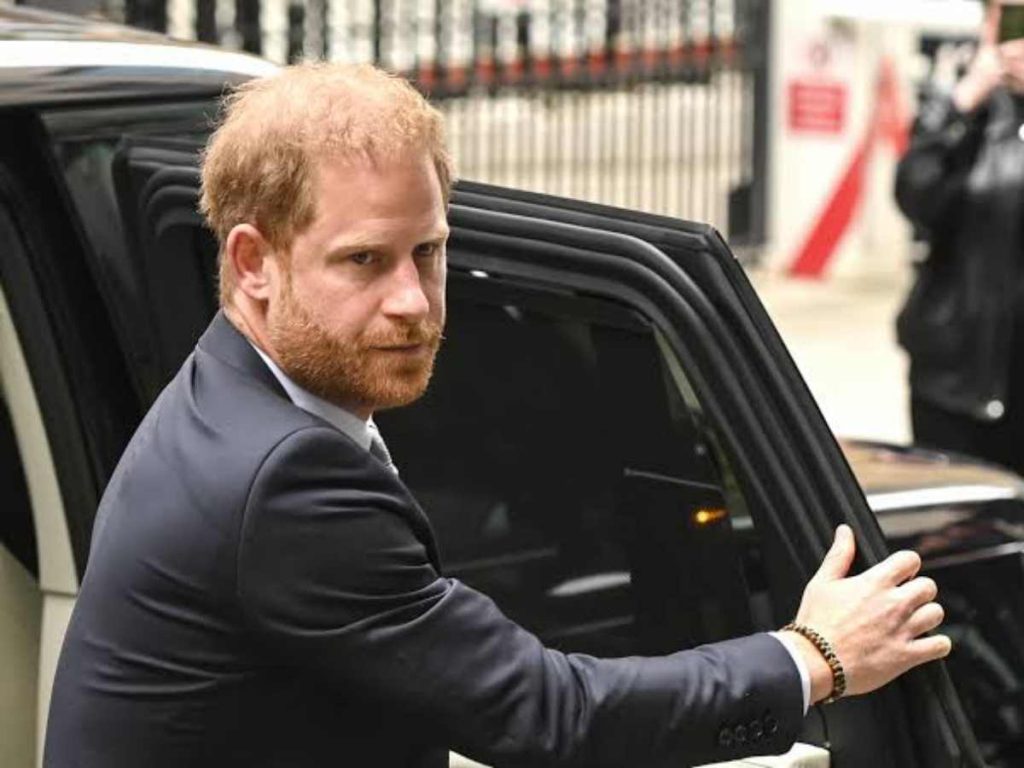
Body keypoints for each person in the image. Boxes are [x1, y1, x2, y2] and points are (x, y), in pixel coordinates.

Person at [45, 63, 950, 768]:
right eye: (363, 262)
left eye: (429, 251)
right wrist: (815, 654)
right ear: (253, 263)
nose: (413, 302)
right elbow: (546, 719)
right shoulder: (283, 481)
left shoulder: (228, 388)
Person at [895, 0, 1024, 475]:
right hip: (953, 376)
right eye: (1002, 14)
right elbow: (915, 197)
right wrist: (962, 106)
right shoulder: (955, 100)